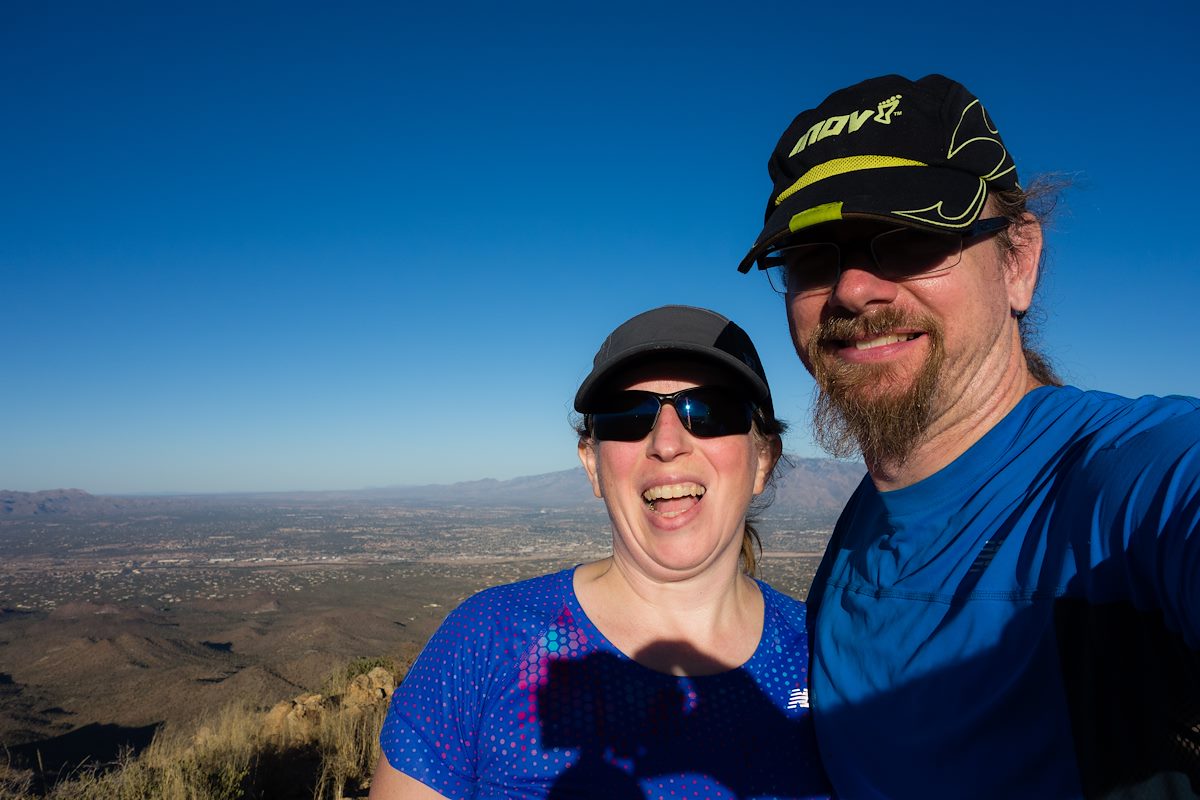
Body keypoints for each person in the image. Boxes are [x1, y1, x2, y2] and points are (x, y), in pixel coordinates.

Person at [737, 72, 1200, 799]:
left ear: (1017, 261)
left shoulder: (1116, 488)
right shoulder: (857, 533)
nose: (854, 290)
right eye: (810, 255)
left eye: (912, 235)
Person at [369, 305, 831, 799]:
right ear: (591, 464)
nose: (667, 442)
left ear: (763, 459)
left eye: (709, 410)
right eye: (629, 416)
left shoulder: (827, 661)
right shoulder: (488, 640)